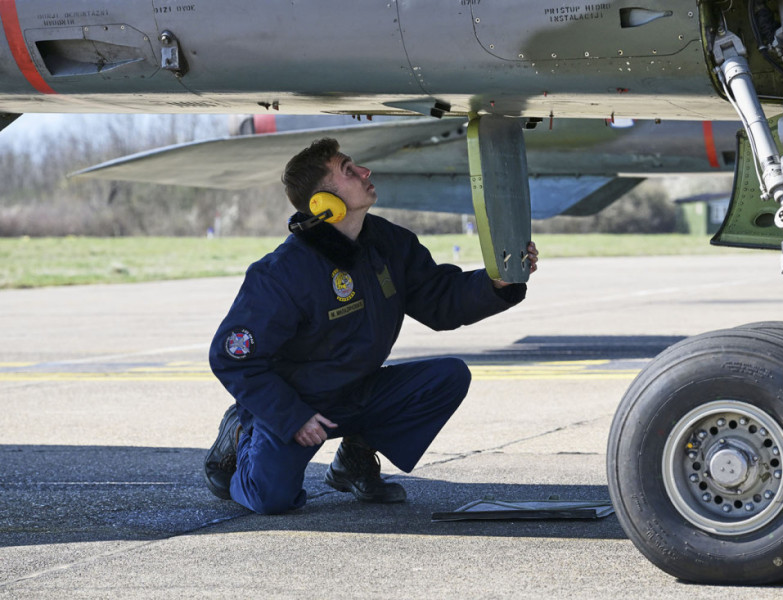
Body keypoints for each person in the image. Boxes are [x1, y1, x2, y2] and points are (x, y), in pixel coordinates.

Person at [204, 137, 539, 515]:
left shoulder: (387, 242)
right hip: (300, 404)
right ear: (322, 202)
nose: (365, 172)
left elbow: (441, 301)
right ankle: (239, 434)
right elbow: (232, 358)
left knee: (447, 377)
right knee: (271, 499)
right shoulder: (281, 274)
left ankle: (353, 460)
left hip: (358, 391)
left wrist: (497, 283)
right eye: (349, 170)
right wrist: (289, 416)